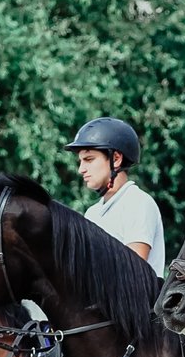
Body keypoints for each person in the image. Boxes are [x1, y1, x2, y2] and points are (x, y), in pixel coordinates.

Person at [68, 117, 165, 275]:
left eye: (89, 159)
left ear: (116, 159)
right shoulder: (92, 213)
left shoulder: (138, 203)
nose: (81, 169)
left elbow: (133, 270)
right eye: (80, 162)